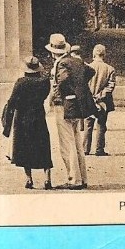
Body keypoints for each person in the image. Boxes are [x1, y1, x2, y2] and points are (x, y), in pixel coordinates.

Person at [46, 33, 96, 190]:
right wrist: (78, 88)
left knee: (67, 144)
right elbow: (90, 72)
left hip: (64, 106)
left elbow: (61, 81)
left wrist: (55, 97)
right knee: (77, 143)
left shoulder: (61, 64)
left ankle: (74, 179)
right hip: (77, 106)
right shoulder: (77, 60)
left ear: (53, 52)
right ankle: (83, 178)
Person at [2, 56, 54, 190]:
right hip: (38, 116)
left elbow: (12, 101)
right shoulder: (44, 82)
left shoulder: (20, 83)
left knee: (25, 148)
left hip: (23, 118)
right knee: (43, 146)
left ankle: (29, 179)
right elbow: (45, 96)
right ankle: (47, 179)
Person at [83, 44, 117, 156]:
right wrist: (100, 96)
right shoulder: (110, 69)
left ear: (93, 54)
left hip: (89, 100)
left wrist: (90, 96)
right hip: (103, 101)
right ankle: (99, 149)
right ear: (104, 55)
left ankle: (85, 149)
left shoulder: (87, 67)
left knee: (88, 124)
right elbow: (110, 87)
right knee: (101, 125)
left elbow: (83, 85)